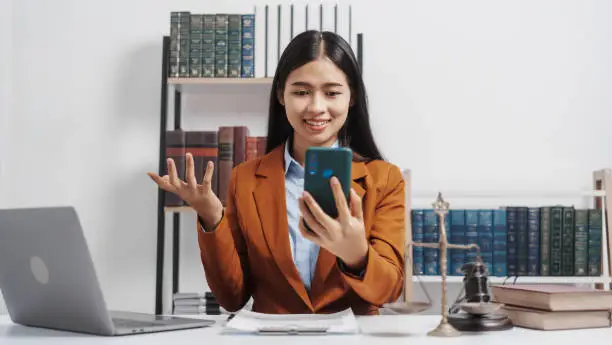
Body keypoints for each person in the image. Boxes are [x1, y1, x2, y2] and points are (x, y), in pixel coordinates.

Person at [148, 30, 405, 315]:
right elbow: (232, 297)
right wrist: (211, 215)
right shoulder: (245, 179)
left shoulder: (385, 179)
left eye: (332, 92)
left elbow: (389, 293)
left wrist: (357, 255)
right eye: (301, 92)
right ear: (281, 94)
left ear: (352, 96)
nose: (316, 107)